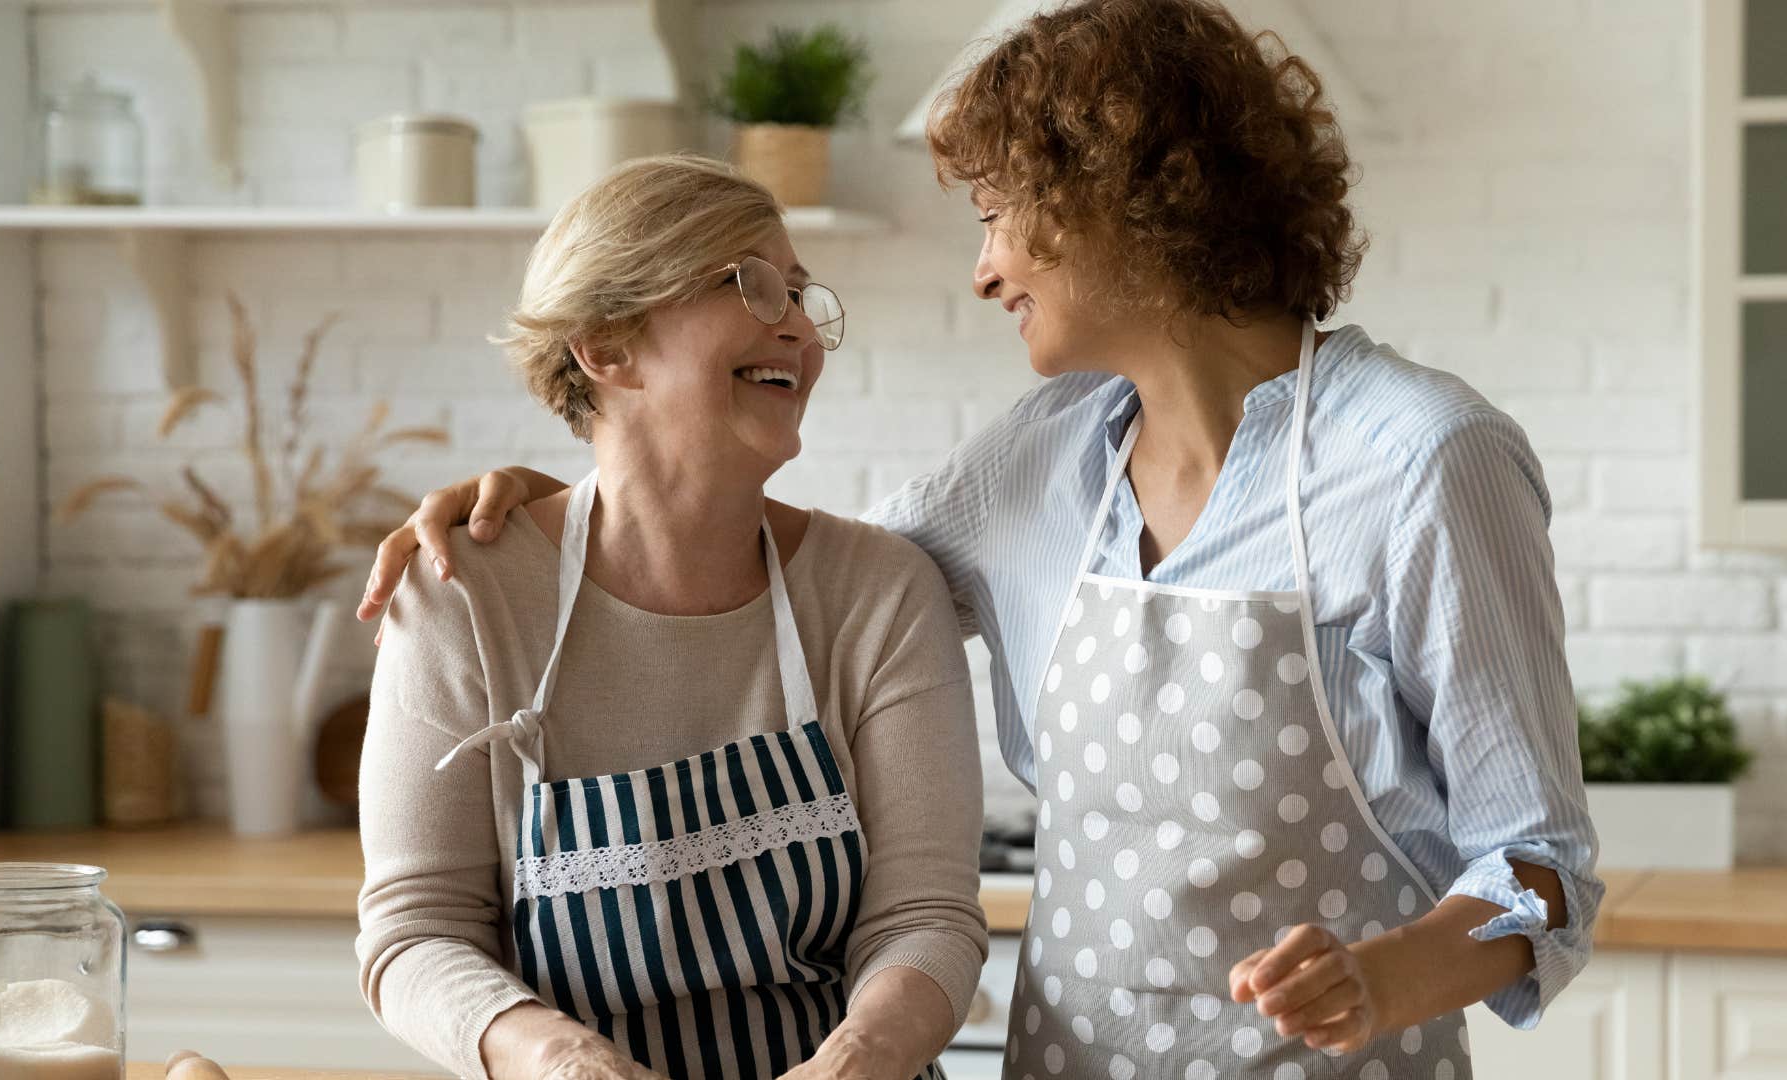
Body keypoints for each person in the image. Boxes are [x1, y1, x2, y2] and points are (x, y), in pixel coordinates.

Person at [360, 2, 1602, 1076]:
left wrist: (1383, 979)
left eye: (1000, 213)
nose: (986, 270)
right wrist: (557, 498)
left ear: (1125, 196)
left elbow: (1541, 865)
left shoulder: (1422, 461)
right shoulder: (1046, 454)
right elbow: (759, 550)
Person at [354, 154, 987, 1080]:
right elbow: (415, 934)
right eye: (755, 286)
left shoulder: (878, 591)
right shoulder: (461, 597)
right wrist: (567, 1061)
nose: (800, 331)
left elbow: (925, 918)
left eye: (803, 295)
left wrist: (850, 1064)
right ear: (606, 344)